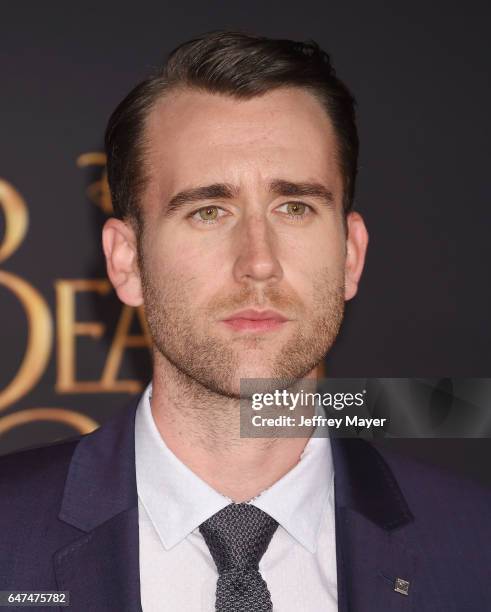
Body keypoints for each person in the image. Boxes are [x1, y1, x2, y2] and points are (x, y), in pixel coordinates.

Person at [1, 31, 490, 612]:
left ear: (351, 255)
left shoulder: (475, 545)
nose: (258, 261)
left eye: (295, 207)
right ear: (126, 261)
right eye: (209, 211)